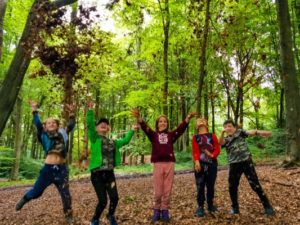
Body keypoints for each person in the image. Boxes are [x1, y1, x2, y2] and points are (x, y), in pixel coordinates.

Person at [131, 109, 196, 223]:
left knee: (167, 190)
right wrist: (139, 118)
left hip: (170, 164)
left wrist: (188, 118)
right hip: (158, 164)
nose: (163, 123)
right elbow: (146, 128)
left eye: (165, 121)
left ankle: (165, 210)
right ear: (157, 124)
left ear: (167, 124)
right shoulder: (154, 135)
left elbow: (180, 129)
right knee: (158, 191)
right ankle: (156, 210)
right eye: (160, 121)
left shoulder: (171, 135)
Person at [15, 100, 76, 224]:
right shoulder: (43, 134)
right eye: (49, 123)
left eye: (54, 122)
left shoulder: (63, 133)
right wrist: (34, 110)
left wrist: (72, 113)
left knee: (66, 194)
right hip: (48, 170)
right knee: (37, 192)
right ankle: (25, 198)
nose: (52, 124)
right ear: (45, 126)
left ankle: (68, 215)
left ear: (57, 125)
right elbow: (37, 123)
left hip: (62, 169)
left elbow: (70, 125)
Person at [87, 101, 138, 225]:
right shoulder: (94, 139)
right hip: (97, 175)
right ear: (97, 128)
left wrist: (131, 130)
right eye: (101, 124)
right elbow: (90, 124)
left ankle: (110, 215)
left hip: (109, 174)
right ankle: (95, 219)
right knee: (103, 201)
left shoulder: (113, 142)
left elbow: (125, 140)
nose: (104, 124)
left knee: (115, 198)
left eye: (106, 124)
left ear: (108, 128)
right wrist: (90, 111)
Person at [219, 119, 274, 216]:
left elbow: (251, 132)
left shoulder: (240, 133)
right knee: (232, 186)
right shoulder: (226, 139)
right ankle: (235, 208)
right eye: (226, 127)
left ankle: (268, 207)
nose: (228, 128)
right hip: (234, 165)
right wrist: (222, 133)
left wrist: (261, 132)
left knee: (255, 185)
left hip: (247, 162)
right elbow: (221, 143)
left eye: (230, 126)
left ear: (234, 127)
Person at [192, 117, 220, 217]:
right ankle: (200, 206)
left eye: (203, 120)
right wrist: (196, 162)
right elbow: (195, 151)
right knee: (200, 185)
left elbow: (217, 148)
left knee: (210, 185)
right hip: (200, 164)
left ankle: (210, 204)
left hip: (212, 164)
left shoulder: (212, 136)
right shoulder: (195, 137)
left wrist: (213, 155)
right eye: (198, 120)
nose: (201, 121)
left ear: (207, 124)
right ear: (196, 125)